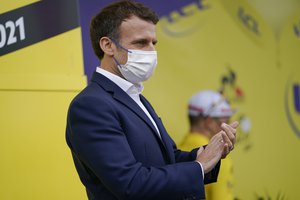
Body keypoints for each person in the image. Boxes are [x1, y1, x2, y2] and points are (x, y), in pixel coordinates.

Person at [65, 1, 238, 200]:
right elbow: (129, 183)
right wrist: (199, 166)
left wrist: (212, 151)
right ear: (107, 45)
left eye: (153, 43)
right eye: (140, 42)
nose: (150, 51)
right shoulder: (91, 105)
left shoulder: (137, 98)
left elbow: (169, 158)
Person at [179, 90, 235, 200]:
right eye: (226, 120)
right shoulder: (217, 156)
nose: (230, 124)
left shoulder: (175, 150)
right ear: (209, 122)